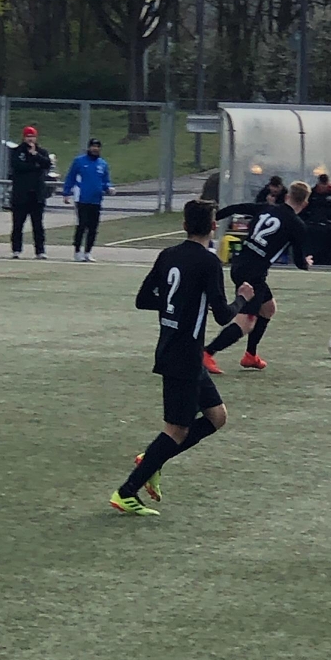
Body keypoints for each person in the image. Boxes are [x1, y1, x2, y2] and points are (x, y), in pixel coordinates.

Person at [110, 200, 254, 516]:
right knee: (177, 430)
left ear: (185, 225)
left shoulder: (168, 255)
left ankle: (153, 459)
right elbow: (223, 315)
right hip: (184, 356)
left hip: (175, 349)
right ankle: (127, 491)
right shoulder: (209, 262)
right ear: (213, 226)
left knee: (217, 417)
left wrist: (175, 306)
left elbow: (143, 299)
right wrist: (242, 299)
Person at [203, 181, 313, 375]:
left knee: (268, 308)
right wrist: (307, 263)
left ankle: (250, 355)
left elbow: (235, 208)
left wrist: (212, 220)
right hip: (253, 273)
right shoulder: (296, 225)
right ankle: (207, 353)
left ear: (287, 196)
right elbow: (299, 262)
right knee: (246, 322)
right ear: (305, 203)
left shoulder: (266, 207)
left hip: (240, 264)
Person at [63, 138, 115, 262]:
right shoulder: (79, 161)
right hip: (82, 198)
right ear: (89, 147)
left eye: (97, 146)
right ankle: (77, 251)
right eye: (93, 146)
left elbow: (105, 181)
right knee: (82, 225)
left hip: (96, 200)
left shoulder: (102, 164)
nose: (95, 149)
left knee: (93, 227)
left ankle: (88, 252)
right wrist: (66, 193)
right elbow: (70, 177)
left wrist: (109, 188)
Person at [10, 126, 51, 259]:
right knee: (18, 225)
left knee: (38, 225)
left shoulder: (42, 152)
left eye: (32, 136)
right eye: (28, 136)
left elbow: (46, 164)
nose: (30, 139)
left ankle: (40, 251)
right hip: (21, 195)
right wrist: (35, 166)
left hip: (37, 195)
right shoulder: (17, 151)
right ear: (24, 137)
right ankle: (16, 250)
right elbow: (18, 167)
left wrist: (35, 155)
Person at [302, 174, 331, 265]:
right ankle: (308, 259)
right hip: (312, 224)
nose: (323, 186)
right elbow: (303, 210)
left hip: (329, 225)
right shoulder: (311, 195)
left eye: (325, 184)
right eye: (321, 184)